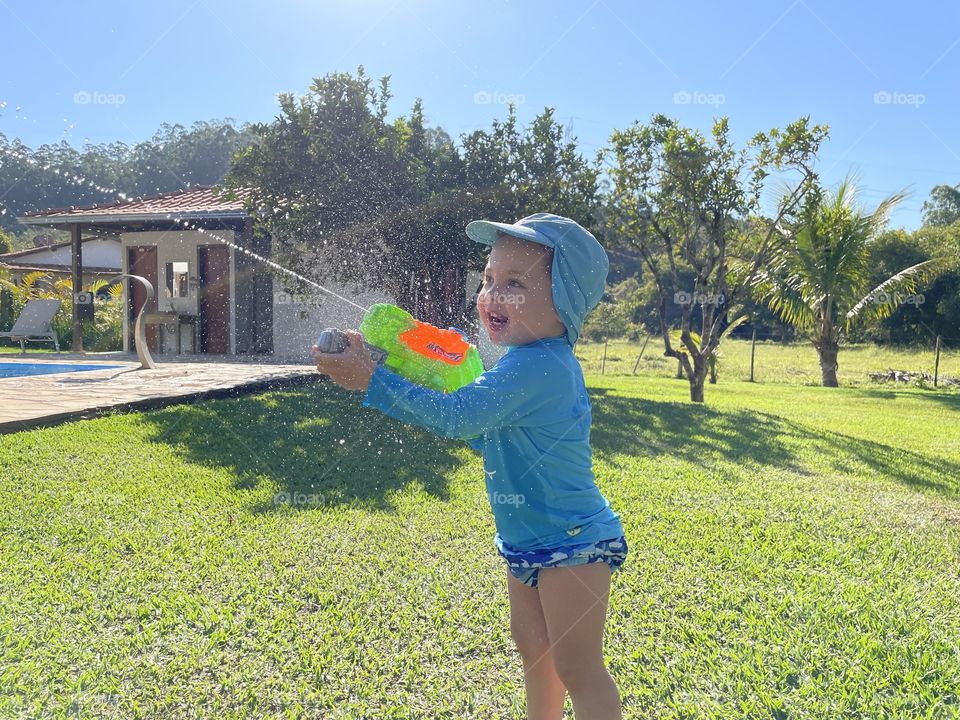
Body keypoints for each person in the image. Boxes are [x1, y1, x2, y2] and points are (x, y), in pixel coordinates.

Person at [312, 213, 627, 720]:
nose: (492, 295)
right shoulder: (521, 362)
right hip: (527, 540)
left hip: (573, 542)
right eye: (487, 281)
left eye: (514, 283)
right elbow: (487, 435)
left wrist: (374, 381)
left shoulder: (540, 365)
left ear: (565, 300)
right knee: (537, 657)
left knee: (578, 668)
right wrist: (404, 374)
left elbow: (458, 419)